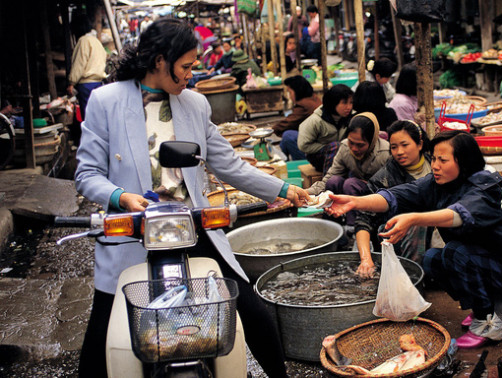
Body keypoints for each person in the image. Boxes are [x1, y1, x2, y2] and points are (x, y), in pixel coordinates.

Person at [74, 18, 309, 378]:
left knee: (252, 312)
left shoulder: (195, 104)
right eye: (185, 66)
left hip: (191, 228)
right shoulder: (106, 102)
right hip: (133, 233)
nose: (190, 75)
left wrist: (281, 188)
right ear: (159, 61)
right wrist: (121, 198)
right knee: (103, 335)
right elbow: (87, 175)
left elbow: (227, 164)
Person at [325, 130, 502, 349]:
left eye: (443, 160)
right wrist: (354, 201)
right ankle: (483, 308)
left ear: (464, 161)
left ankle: (488, 324)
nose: (436, 165)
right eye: (435, 159)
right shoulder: (437, 183)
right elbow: (395, 196)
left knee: (455, 253)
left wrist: (414, 219)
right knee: (432, 259)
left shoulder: (484, 187)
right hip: (486, 261)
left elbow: (459, 214)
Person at [354, 120, 431, 278]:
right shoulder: (383, 179)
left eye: (404, 145)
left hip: (435, 236)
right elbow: (363, 221)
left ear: (420, 144)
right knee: (415, 222)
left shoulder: (436, 166)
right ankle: (412, 277)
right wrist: (366, 260)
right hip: (399, 239)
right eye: (394, 147)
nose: (399, 152)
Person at [307, 113, 390, 232]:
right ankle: (333, 226)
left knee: (351, 184)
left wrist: (368, 185)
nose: (354, 148)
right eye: (351, 142)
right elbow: (329, 177)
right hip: (352, 192)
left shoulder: (385, 153)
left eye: (360, 145)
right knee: (333, 181)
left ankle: (354, 228)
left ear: (372, 140)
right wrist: (305, 193)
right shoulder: (345, 147)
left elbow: (391, 189)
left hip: (375, 198)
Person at [298, 84, 354, 173]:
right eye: (344, 103)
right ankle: (328, 181)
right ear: (333, 103)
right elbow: (303, 145)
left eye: (351, 102)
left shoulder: (351, 117)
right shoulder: (316, 121)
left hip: (341, 154)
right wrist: (328, 147)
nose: (349, 107)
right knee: (336, 146)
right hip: (319, 157)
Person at [67, 15, 108, 126]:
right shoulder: (96, 41)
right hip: (98, 82)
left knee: (89, 116)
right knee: (97, 115)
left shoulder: (83, 41)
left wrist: (72, 82)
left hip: (86, 85)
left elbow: (79, 64)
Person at [273, 76, 321, 160]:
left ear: (297, 91)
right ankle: (283, 161)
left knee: (288, 136)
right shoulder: (314, 98)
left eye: (290, 92)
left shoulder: (304, 105)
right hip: (317, 139)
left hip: (316, 145)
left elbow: (287, 123)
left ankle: (301, 163)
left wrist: (270, 130)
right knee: (285, 141)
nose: (290, 96)